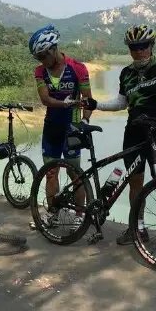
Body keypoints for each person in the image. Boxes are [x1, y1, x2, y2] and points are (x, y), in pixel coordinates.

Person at [84, 24, 156, 244]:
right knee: (135, 183)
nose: (139, 51)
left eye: (143, 46)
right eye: (134, 47)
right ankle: (138, 229)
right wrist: (97, 105)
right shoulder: (126, 73)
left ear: (152, 45)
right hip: (132, 134)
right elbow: (121, 103)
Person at [30, 24, 93, 224]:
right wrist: (65, 103)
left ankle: (79, 216)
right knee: (51, 173)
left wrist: (84, 121)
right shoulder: (40, 71)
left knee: (75, 174)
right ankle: (53, 214)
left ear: (53, 49)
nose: (41, 61)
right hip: (52, 127)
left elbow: (88, 100)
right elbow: (45, 99)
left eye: (43, 56)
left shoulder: (78, 68)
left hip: (72, 127)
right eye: (38, 57)